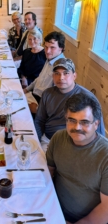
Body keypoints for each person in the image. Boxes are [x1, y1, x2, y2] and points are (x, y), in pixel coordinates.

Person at [46, 93, 108, 223]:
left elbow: (106, 210)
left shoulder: (105, 156)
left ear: (96, 124)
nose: (77, 127)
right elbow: (48, 173)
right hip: (52, 208)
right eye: (72, 120)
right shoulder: (58, 138)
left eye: (84, 122)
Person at [35, 58, 105, 152]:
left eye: (66, 73)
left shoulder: (88, 98)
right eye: (57, 73)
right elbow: (40, 120)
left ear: (74, 75)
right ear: (53, 76)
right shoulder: (47, 94)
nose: (61, 78)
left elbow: (99, 132)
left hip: (74, 144)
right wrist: (36, 141)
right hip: (48, 140)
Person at [24, 31, 65, 113]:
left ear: (61, 48)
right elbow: (39, 78)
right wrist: (26, 89)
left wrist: (37, 109)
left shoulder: (61, 68)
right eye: (46, 47)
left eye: (52, 47)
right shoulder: (50, 59)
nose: (47, 51)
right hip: (33, 96)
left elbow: (58, 100)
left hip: (41, 105)